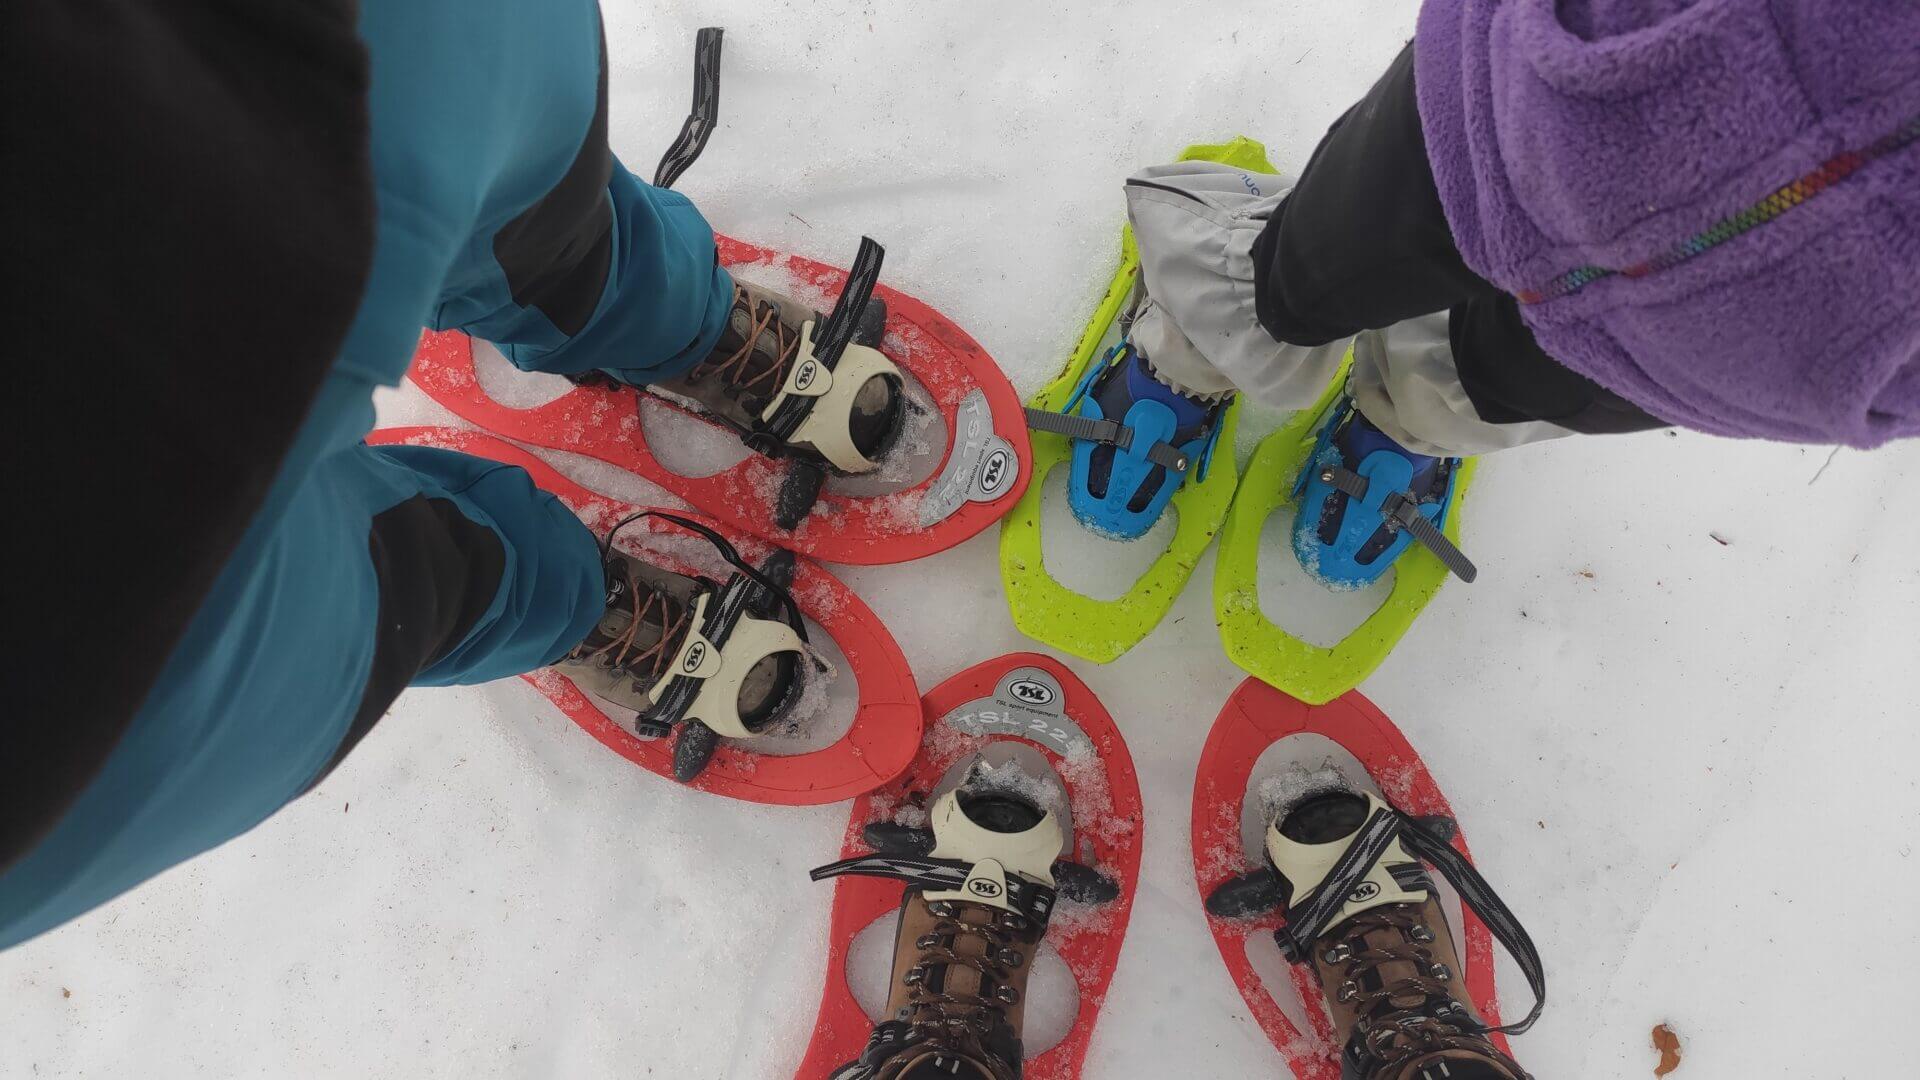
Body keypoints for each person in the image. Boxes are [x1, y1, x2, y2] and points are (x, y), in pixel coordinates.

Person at [4, 1, 903, 950]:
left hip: (173, 96)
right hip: (54, 717)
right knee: (405, 587)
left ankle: (669, 321)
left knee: (528, 214)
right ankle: (565, 594)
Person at [1059, 1, 1920, 588]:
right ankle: (1202, 338)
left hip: (1818, 329)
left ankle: (1411, 413)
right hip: (1597, 78)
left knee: (1531, 375)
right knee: (1315, 262)